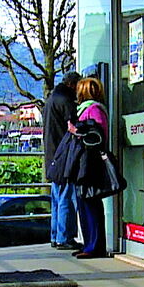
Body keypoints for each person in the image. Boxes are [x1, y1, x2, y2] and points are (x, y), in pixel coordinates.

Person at [70, 77, 109, 259]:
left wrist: (76, 131)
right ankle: (89, 244)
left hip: (90, 162)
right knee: (84, 203)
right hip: (84, 161)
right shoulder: (86, 109)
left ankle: (95, 245)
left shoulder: (94, 110)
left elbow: (96, 135)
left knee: (90, 203)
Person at [42, 70, 81, 250]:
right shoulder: (66, 101)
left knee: (57, 198)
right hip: (64, 155)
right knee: (67, 197)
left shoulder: (50, 100)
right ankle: (65, 237)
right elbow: (73, 126)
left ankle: (55, 235)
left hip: (52, 156)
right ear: (72, 85)